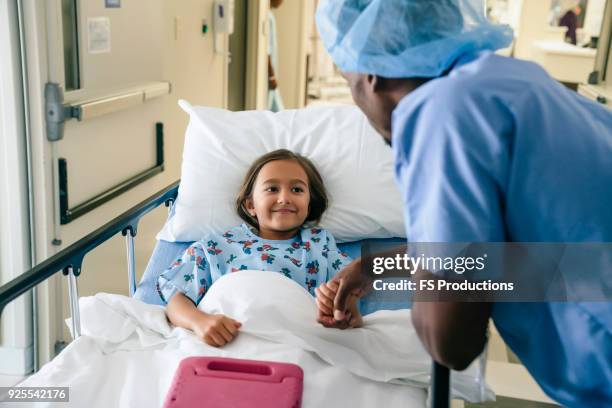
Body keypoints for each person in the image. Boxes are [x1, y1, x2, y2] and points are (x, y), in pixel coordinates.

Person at [313, 0, 612, 406]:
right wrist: (374, 265)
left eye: (348, 81)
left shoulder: (441, 115)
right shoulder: (516, 80)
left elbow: (450, 340)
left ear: (371, 74)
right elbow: (513, 254)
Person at [157, 149, 360, 347]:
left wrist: (343, 310)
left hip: (294, 343)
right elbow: (176, 300)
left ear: (309, 205)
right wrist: (200, 322)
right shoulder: (215, 247)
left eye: (297, 190)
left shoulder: (320, 246)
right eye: (272, 189)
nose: (284, 198)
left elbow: (348, 290)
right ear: (251, 205)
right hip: (228, 341)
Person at [267, 0, 285, 111]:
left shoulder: (269, 16)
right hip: (269, 77)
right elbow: (267, 50)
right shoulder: (267, 17)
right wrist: (271, 76)